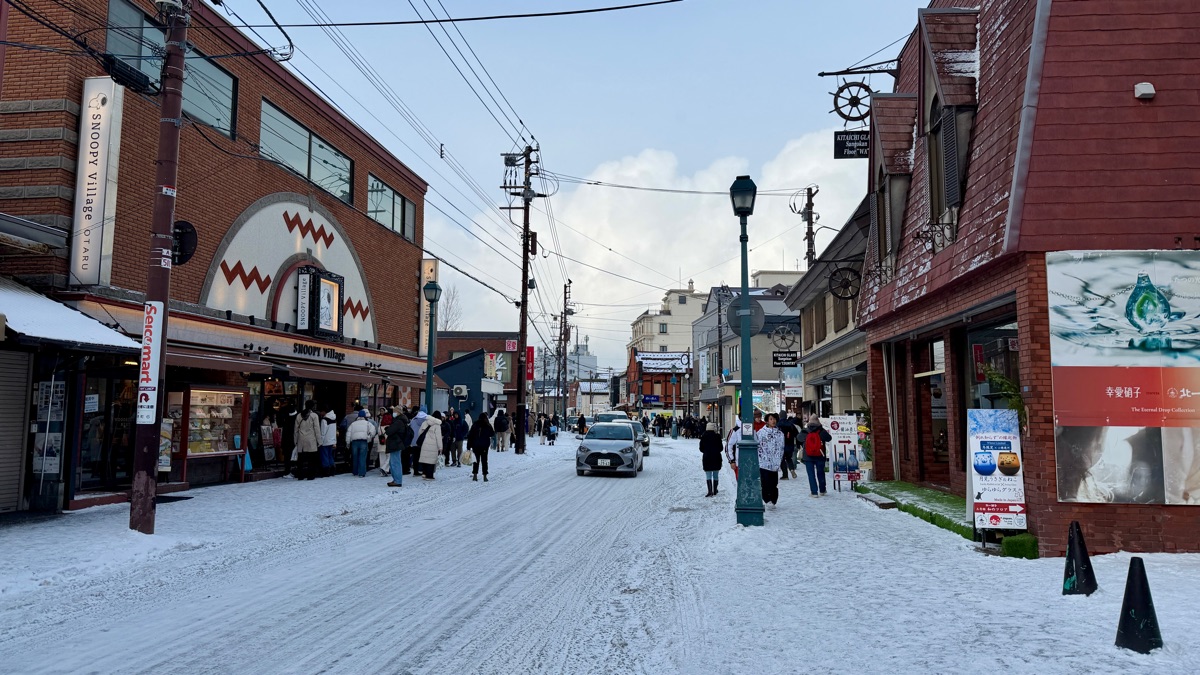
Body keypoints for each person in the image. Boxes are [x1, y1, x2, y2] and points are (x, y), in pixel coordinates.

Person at [756, 413, 785, 509]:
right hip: (764, 463)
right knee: (765, 483)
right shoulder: (761, 433)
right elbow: (758, 446)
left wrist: (779, 459)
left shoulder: (780, 434)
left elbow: (782, 447)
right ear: (767, 421)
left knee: (774, 483)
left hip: (775, 463)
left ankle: (773, 499)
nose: (773, 421)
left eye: (774, 419)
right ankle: (767, 499)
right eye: (771, 419)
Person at [801, 414, 833, 497]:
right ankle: (822, 490)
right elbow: (829, 438)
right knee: (820, 472)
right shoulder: (821, 431)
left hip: (808, 456)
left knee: (811, 474)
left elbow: (798, 438)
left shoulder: (806, 430)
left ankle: (814, 492)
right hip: (820, 455)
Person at [293, 400, 321, 480]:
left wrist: (295, 440)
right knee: (311, 459)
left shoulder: (299, 415)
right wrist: (319, 441)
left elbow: (296, 429)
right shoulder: (314, 416)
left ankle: (300, 475)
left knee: (301, 459)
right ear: (313, 406)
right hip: (311, 439)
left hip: (301, 439)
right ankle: (310, 475)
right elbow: (317, 429)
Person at [384, 407, 411, 488]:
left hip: (395, 443)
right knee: (394, 462)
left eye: (395, 411)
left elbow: (389, 431)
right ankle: (396, 479)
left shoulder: (398, 422)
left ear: (398, 412)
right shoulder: (402, 421)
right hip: (397, 443)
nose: (393, 413)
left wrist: (387, 428)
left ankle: (397, 480)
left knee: (395, 463)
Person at [467, 412, 495, 482]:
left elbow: (470, 435)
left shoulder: (475, 424)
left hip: (475, 445)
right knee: (484, 461)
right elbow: (492, 433)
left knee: (476, 461)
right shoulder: (487, 425)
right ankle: (485, 476)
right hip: (484, 446)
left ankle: (475, 475)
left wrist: (469, 446)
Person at [416, 410, 444, 479]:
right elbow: (438, 437)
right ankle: (429, 475)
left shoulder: (425, 422)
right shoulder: (437, 425)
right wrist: (440, 447)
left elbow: (420, 432)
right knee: (431, 461)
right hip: (433, 445)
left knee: (425, 459)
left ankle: (424, 473)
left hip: (425, 443)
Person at [346, 409, 374, 477]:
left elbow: (348, 434)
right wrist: (369, 438)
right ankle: (362, 473)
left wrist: (347, 443)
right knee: (362, 457)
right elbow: (373, 431)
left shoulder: (353, 424)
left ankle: (355, 471)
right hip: (363, 441)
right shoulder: (368, 423)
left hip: (354, 442)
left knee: (355, 457)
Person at [700, 421, 723, 497]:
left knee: (708, 475)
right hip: (716, 457)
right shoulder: (718, 436)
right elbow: (721, 448)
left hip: (707, 457)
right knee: (716, 474)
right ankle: (715, 490)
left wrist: (706, 451)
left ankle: (710, 491)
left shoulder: (703, 436)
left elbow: (701, 448)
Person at [405, 405, 428, 476]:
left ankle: (415, 471)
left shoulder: (413, 419)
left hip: (414, 441)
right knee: (424, 456)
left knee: (415, 456)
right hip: (423, 441)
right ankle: (423, 470)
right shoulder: (427, 420)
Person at [779, 413, 799, 481]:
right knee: (789, 459)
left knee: (782, 460)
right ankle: (792, 469)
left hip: (781, 445)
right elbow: (797, 435)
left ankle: (785, 475)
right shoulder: (791, 424)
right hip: (790, 444)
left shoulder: (778, 424)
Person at [318, 408, 338, 477]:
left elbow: (323, 432)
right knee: (330, 455)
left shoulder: (324, 420)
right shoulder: (334, 418)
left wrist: (320, 441)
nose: (320, 413)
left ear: (324, 411)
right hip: (332, 440)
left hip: (325, 440)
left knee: (324, 456)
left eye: (321, 411)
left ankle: (326, 471)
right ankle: (332, 469)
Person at [377, 406, 393, 476]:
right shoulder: (390, 428)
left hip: (381, 443)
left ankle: (382, 472)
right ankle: (384, 469)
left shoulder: (380, 427)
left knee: (382, 457)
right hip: (388, 443)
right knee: (389, 457)